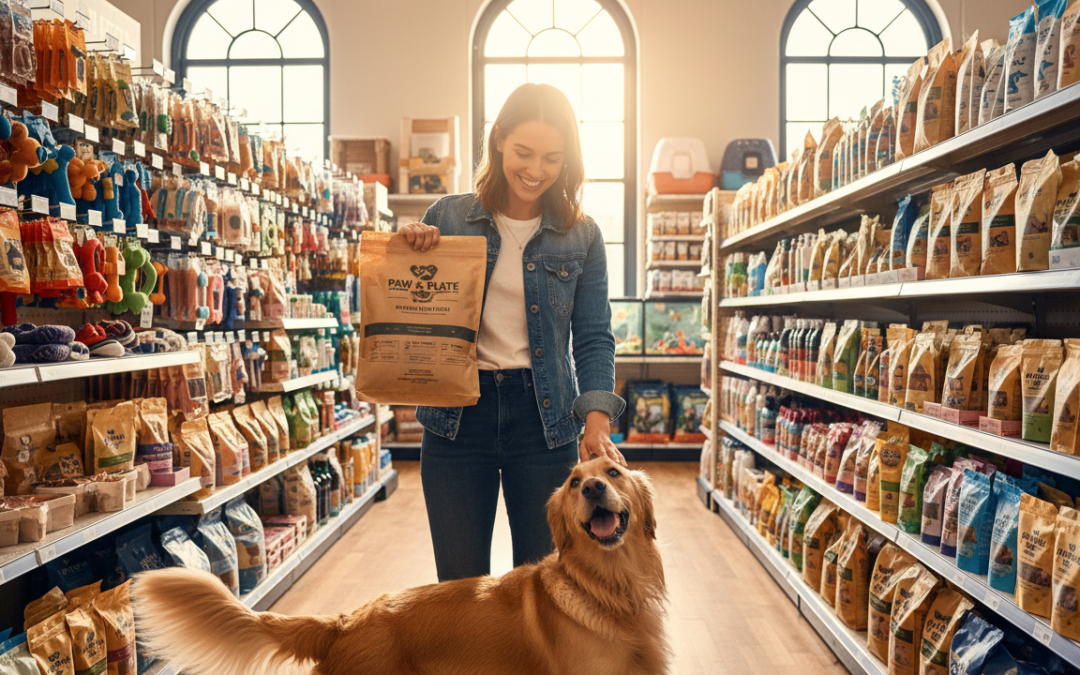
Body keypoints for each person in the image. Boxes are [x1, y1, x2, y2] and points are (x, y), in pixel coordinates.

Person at [398, 83, 626, 582]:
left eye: (552, 158)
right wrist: (410, 248)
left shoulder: (582, 234)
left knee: (549, 581)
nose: (536, 170)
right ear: (498, 139)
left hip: (543, 423)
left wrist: (596, 421)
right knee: (459, 588)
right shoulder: (450, 216)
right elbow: (413, 302)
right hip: (458, 420)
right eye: (524, 152)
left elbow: (592, 335)